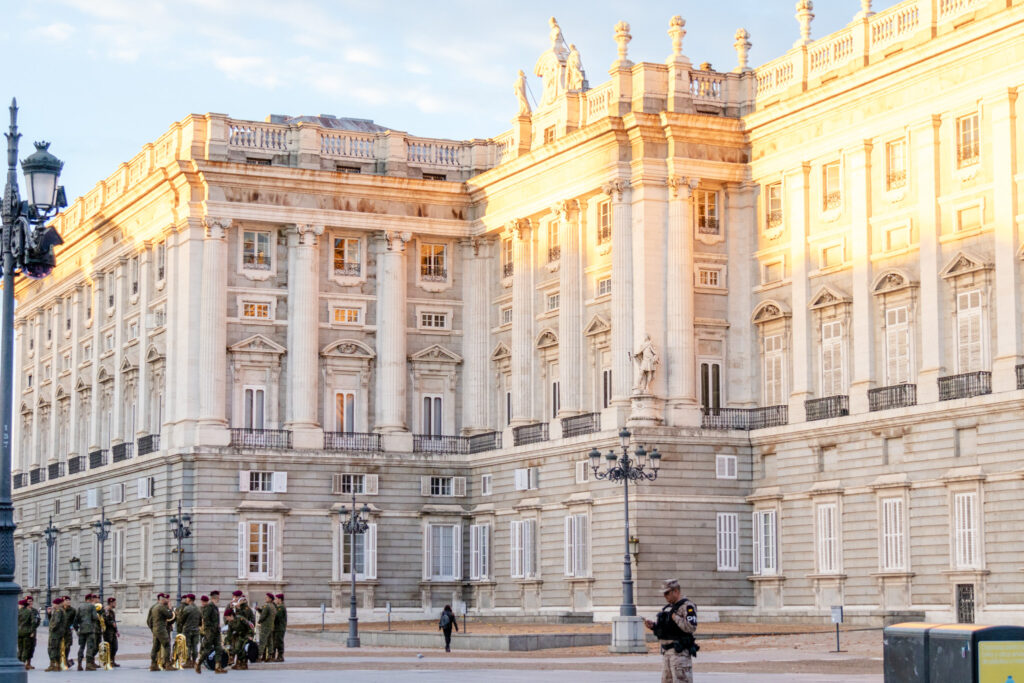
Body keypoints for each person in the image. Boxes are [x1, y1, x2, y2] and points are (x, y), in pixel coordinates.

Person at [643, 579, 698, 683]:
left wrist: (675, 617)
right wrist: (654, 626)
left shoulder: (687, 606)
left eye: (667, 593)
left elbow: (691, 627)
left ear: (676, 591)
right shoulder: (669, 608)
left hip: (679, 654)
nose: (665, 596)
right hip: (666, 653)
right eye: (664, 594)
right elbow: (668, 630)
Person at [196, 593, 228, 675]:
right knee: (207, 649)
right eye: (218, 597)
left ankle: (217, 667)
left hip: (216, 632)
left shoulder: (215, 607)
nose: (219, 599)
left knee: (219, 649)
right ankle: (198, 663)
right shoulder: (209, 607)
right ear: (215, 598)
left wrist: (217, 628)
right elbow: (206, 619)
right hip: (210, 632)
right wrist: (210, 628)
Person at [147, 592, 175, 671]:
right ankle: (167, 664)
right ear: (163, 600)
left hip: (156, 629)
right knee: (167, 645)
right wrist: (170, 608)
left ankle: (153, 664)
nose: (167, 600)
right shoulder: (161, 607)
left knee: (155, 647)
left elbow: (150, 620)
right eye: (166, 599)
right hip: (161, 629)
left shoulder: (155, 607)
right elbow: (170, 615)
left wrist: (153, 629)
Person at [75, 593, 101, 671]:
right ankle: (88, 664)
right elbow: (94, 617)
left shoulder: (80, 607)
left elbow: (76, 619)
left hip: (82, 629)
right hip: (90, 629)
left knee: (81, 647)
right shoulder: (92, 606)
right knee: (90, 647)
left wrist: (77, 629)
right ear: (90, 599)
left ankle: (79, 664)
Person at [17, 596, 40, 670]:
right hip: (28, 632)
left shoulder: (34, 611)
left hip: (26, 632)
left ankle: (28, 663)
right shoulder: (28, 611)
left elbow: (37, 621)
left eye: (30, 601)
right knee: (25, 648)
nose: (29, 603)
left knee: (30, 648)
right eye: (28, 601)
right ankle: (23, 663)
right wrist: (31, 630)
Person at [180, 594, 202, 667]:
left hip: (187, 630)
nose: (186, 599)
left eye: (187, 598)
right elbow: (200, 621)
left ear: (189, 599)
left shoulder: (187, 608)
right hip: (196, 630)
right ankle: (194, 661)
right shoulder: (198, 609)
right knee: (195, 646)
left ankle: (188, 661)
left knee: (187, 646)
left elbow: (182, 619)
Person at [44, 598, 66, 672]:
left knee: (53, 648)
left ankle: (53, 665)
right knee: (56, 648)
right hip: (58, 633)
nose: (53, 605)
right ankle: (57, 665)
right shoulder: (60, 611)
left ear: (57, 604)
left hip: (55, 633)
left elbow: (56, 622)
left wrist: (51, 629)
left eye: (54, 604)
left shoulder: (58, 611)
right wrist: (50, 614)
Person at [257, 593, 276, 663]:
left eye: (267, 598)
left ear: (270, 599)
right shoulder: (273, 606)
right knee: (270, 641)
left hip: (265, 626)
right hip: (271, 626)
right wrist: (259, 610)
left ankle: (259, 656)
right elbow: (267, 613)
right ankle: (270, 656)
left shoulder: (266, 606)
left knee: (262, 641)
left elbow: (263, 616)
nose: (265, 599)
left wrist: (259, 621)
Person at [103, 597, 120, 668]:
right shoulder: (106, 610)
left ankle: (112, 661)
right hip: (107, 631)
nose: (115, 604)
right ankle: (107, 661)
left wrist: (116, 631)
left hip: (112, 631)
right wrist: (111, 623)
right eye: (114, 603)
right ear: (111, 603)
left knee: (115, 647)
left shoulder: (112, 611)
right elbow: (105, 620)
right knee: (108, 647)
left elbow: (114, 622)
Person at [271, 594, 286, 662]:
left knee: (279, 642)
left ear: (280, 599)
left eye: (276, 599)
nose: (275, 600)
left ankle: (280, 656)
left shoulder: (281, 607)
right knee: (275, 642)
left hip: (279, 628)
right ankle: (274, 656)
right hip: (276, 627)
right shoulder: (278, 607)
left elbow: (277, 616)